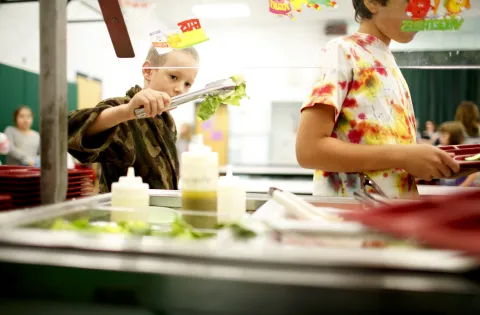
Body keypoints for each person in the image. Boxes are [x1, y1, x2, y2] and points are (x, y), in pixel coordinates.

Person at [296, 0, 459, 198]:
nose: (421, 12)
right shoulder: (342, 51)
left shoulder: (388, 62)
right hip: (352, 218)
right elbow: (308, 150)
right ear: (372, 2)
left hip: (392, 217)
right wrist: (404, 156)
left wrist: (433, 164)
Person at [68, 47, 199, 193]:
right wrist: (127, 111)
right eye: (173, 77)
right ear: (148, 71)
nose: (180, 89)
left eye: (187, 84)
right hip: (122, 212)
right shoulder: (120, 109)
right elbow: (67, 129)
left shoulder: (167, 122)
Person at [437, 121, 477, 187]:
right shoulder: (441, 150)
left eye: (444, 135)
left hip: (464, 189)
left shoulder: (463, 152)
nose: (440, 138)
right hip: (447, 188)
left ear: (454, 137)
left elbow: (473, 175)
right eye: (440, 135)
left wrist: (462, 187)